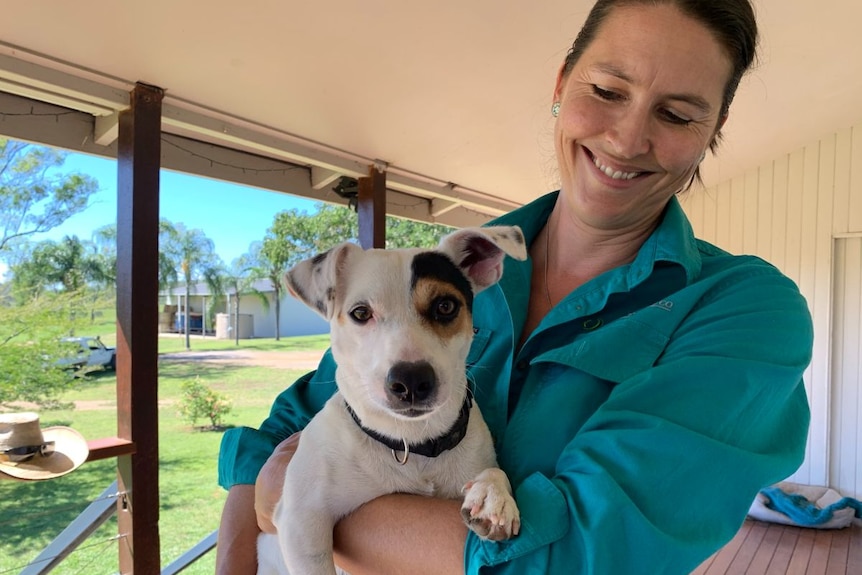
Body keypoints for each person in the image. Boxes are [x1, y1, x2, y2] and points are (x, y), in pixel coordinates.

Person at [216, 0, 814, 573]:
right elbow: (277, 439)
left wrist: (299, 511)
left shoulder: (743, 311)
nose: (628, 140)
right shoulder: (426, 283)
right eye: (607, 91)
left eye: (678, 114)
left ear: (715, 128)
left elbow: (581, 555)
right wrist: (264, 512)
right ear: (561, 83)